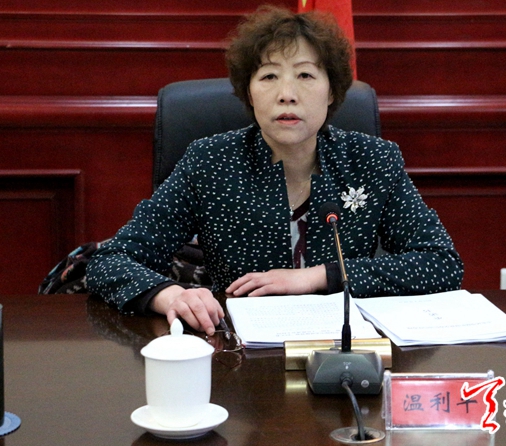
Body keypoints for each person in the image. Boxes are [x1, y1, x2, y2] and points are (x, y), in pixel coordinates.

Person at [87, 6, 463, 335]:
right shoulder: (210, 162)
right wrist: (169, 295)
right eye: (269, 76)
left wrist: (318, 276)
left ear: (332, 91)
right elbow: (112, 260)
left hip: (344, 347)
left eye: (305, 76)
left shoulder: (371, 160)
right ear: (249, 93)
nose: (287, 94)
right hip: (238, 354)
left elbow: (441, 262)